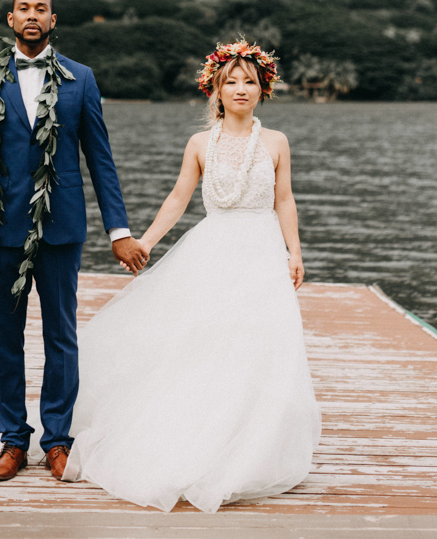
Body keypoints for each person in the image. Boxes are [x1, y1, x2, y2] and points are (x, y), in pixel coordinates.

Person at [62, 40, 321, 512]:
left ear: (263, 88)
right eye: (231, 82)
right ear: (215, 91)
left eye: (249, 81)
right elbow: (179, 198)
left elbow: (285, 199)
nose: (241, 89)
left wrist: (294, 251)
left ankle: (250, 451)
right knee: (205, 342)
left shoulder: (277, 142)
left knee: (258, 345)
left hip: (261, 252)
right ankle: (196, 437)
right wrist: (146, 240)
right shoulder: (201, 144)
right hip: (213, 248)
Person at [0, 0, 148, 482]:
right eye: (24, 8)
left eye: (40, 9)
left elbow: (100, 162)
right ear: (10, 18)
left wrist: (119, 231)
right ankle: (12, 441)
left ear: (52, 19)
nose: (32, 16)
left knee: (61, 337)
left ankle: (58, 440)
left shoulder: (80, 80)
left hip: (61, 229)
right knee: (6, 338)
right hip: (1, 233)